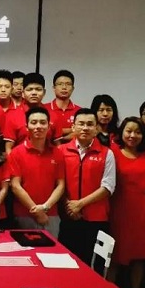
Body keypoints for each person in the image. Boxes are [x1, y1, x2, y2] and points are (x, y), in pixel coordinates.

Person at [107, 117, 145, 288]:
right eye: (128, 131)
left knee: (139, 257)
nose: (132, 135)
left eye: (137, 132)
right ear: (121, 133)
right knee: (114, 255)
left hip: (142, 213)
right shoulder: (113, 153)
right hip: (118, 210)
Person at [57, 108, 116, 265]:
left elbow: (108, 187)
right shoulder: (61, 151)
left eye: (90, 124)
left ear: (96, 129)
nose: (85, 128)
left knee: (93, 265)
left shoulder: (107, 153)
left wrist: (79, 204)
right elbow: (57, 184)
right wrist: (69, 206)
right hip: (68, 217)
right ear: (73, 127)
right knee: (67, 264)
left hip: (96, 218)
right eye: (81, 124)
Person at [9, 107, 66, 237]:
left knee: (52, 249)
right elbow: (16, 186)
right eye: (34, 122)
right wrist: (37, 211)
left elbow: (61, 185)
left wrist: (45, 207)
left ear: (49, 126)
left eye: (43, 122)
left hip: (51, 214)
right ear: (26, 126)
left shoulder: (57, 153)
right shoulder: (16, 153)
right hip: (24, 214)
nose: (38, 126)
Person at [3, 72, 47, 153]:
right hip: (20, 159)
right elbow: (8, 148)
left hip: (46, 159)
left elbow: (57, 145)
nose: (34, 93)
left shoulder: (52, 114)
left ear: (44, 92)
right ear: (23, 93)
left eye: (38, 89)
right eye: (30, 89)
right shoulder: (12, 115)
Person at [44, 69, 80, 144]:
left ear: (73, 88)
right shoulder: (43, 109)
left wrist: (57, 135)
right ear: (54, 88)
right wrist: (71, 130)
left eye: (68, 84)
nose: (64, 87)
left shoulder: (79, 111)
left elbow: (81, 132)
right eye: (60, 84)